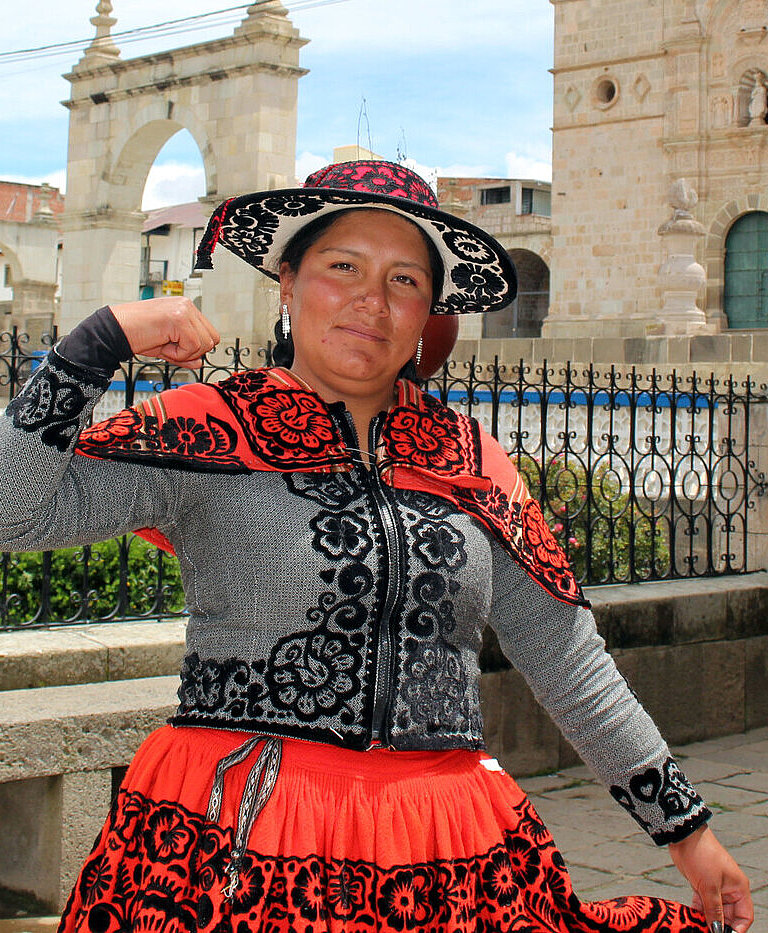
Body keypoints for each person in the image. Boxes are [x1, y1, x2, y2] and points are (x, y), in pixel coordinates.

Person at [0, 160, 752, 933]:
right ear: (287, 281)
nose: (371, 300)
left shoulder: (472, 457)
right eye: (343, 266)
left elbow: (569, 660)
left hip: (444, 849)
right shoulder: (206, 426)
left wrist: (689, 834)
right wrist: (98, 343)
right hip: (241, 835)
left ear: (428, 310)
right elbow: (10, 512)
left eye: (404, 281)